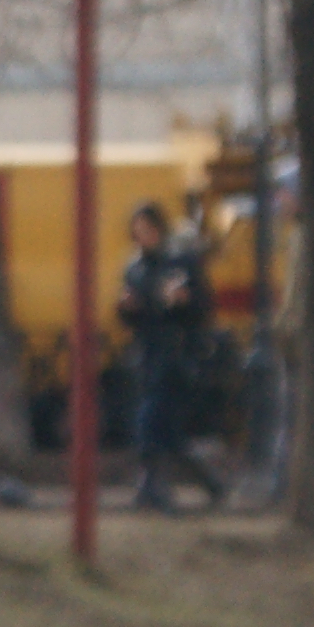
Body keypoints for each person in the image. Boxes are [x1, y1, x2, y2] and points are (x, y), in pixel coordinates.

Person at [118, 198, 211, 509]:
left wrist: (184, 300)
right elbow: (130, 314)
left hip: (174, 354)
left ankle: (151, 486)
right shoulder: (135, 267)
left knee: (149, 420)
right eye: (137, 232)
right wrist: (127, 308)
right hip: (146, 352)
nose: (143, 237)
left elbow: (202, 306)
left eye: (147, 230)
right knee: (168, 433)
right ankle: (209, 483)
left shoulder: (180, 261)